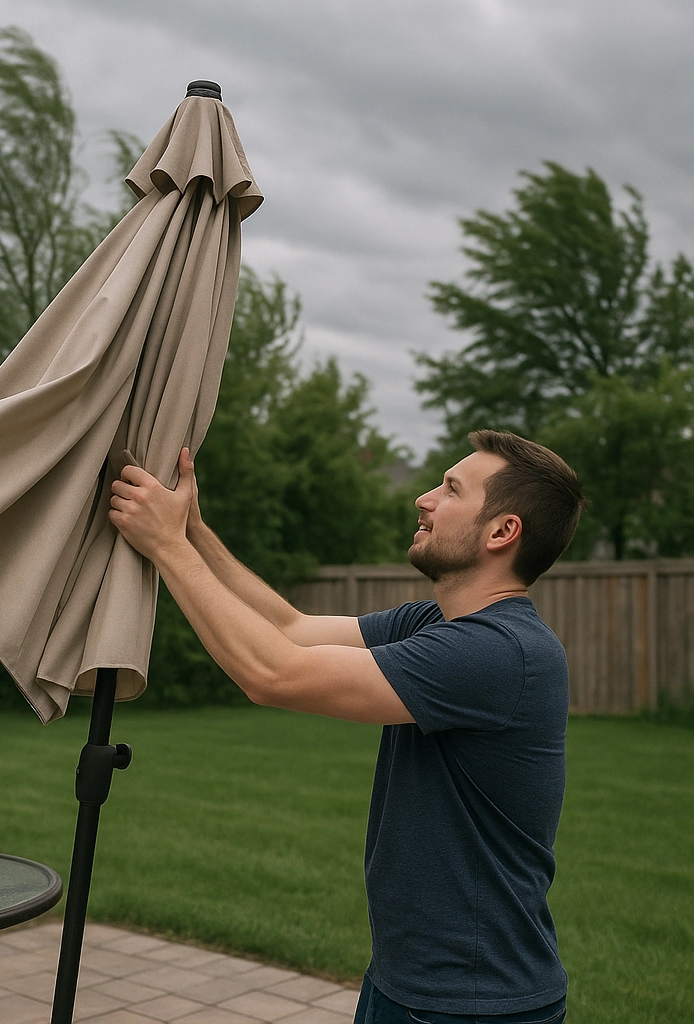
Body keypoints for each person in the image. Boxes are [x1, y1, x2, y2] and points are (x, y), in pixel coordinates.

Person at [109, 429, 587, 1024]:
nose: (424, 498)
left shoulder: (498, 652)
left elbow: (273, 674)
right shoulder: (436, 625)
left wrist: (166, 547)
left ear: (501, 531)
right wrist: (192, 532)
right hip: (410, 982)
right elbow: (290, 628)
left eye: (451, 489)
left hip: (469, 1002)